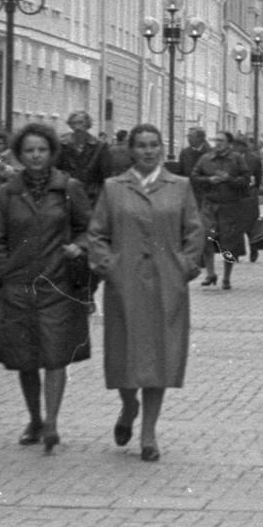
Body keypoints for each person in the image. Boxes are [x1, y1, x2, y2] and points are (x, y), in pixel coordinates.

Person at [86, 124, 205, 461]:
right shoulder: (113, 187)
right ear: (131, 150)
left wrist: (185, 266)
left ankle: (149, 434)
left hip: (167, 283)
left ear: (162, 148)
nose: (148, 151)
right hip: (125, 285)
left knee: (160, 358)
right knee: (124, 356)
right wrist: (109, 265)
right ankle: (128, 406)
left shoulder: (179, 186)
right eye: (141, 145)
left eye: (154, 145)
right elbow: (97, 233)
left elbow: (194, 231)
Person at [0, 122, 93, 453]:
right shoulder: (7, 193)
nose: (35, 156)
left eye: (41, 150)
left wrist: (79, 246)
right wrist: (2, 276)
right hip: (18, 286)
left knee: (56, 355)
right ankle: (34, 417)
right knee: (25, 358)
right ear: (19, 155)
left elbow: (87, 229)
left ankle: (51, 423)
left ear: (51, 153)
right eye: (29, 150)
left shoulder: (68, 188)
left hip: (57, 284)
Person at [195, 130, 256, 289]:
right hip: (209, 206)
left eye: (222, 140)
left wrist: (229, 179)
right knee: (206, 237)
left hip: (230, 207)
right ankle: (210, 273)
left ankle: (227, 277)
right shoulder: (206, 158)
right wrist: (209, 180)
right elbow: (194, 178)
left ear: (229, 144)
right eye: (216, 140)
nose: (218, 143)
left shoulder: (236, 159)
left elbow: (246, 180)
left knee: (228, 244)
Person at [56, 110, 109, 204]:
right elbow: (57, 170)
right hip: (67, 195)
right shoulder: (62, 144)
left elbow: (105, 174)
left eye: (80, 122)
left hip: (91, 197)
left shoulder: (100, 146)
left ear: (88, 124)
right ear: (70, 125)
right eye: (73, 123)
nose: (77, 127)